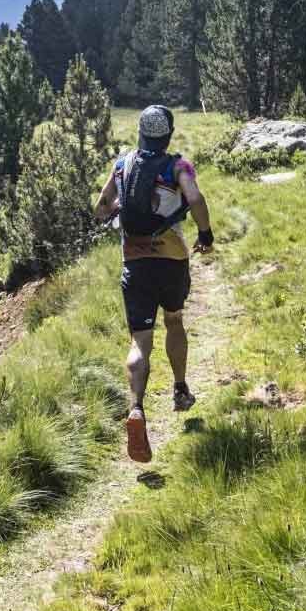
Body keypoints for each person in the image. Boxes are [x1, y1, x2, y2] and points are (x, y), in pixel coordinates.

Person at [94, 105, 213, 463]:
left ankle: (136, 409)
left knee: (139, 340)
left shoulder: (122, 165)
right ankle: (179, 389)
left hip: (135, 262)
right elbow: (195, 199)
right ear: (169, 134)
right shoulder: (178, 166)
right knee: (174, 320)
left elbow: (101, 208)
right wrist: (205, 234)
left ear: (141, 133)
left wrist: (119, 211)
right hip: (172, 259)